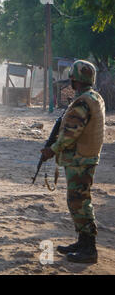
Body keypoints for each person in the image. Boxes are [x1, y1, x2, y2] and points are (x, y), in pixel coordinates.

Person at [41, 60, 105, 264]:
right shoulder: (94, 97)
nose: (71, 81)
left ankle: (89, 248)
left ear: (76, 79)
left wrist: (52, 150)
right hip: (85, 157)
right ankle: (83, 241)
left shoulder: (82, 101)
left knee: (79, 202)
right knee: (79, 201)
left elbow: (70, 134)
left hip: (80, 159)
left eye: (72, 78)